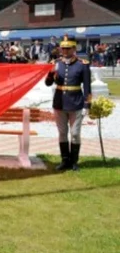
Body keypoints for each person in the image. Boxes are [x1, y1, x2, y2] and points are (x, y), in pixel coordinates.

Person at [44, 35, 91, 171]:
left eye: (68, 49)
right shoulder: (56, 62)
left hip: (76, 102)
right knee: (62, 132)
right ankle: (65, 160)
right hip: (59, 103)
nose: (64, 51)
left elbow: (87, 86)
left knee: (75, 133)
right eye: (63, 49)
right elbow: (47, 84)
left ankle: (74, 161)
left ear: (74, 49)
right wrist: (50, 74)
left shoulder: (82, 64)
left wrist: (87, 104)